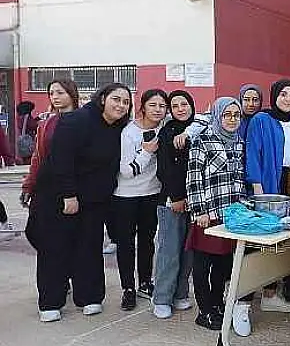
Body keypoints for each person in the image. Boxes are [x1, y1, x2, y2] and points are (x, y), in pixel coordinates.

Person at [33, 83, 132, 322]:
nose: (121, 105)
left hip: (94, 199)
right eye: (116, 99)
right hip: (58, 195)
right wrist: (69, 195)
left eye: (126, 102)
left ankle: (90, 297)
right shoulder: (77, 120)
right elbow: (61, 159)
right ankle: (50, 302)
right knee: (56, 248)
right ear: (103, 99)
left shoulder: (118, 127)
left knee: (89, 247)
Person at [186, 97, 243, 346]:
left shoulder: (238, 141)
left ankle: (218, 304)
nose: (231, 119)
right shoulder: (203, 139)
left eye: (236, 115)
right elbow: (194, 178)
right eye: (227, 115)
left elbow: (238, 177)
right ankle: (204, 310)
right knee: (202, 263)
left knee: (222, 263)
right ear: (217, 116)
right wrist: (199, 211)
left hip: (229, 214)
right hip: (207, 213)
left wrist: (242, 207)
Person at [247, 80, 290, 313]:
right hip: (269, 181)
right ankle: (252, 295)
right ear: (274, 96)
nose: (288, 99)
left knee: (286, 238)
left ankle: (273, 292)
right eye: (283, 94)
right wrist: (257, 187)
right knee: (264, 238)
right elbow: (253, 152)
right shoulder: (261, 120)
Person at [112, 89, 168, 311]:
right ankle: (128, 288)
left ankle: (145, 282)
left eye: (162, 106)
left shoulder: (164, 128)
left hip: (152, 194)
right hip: (125, 196)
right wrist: (146, 152)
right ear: (143, 106)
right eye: (153, 105)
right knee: (126, 244)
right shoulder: (129, 132)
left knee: (147, 241)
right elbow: (126, 171)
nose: (158, 110)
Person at [152, 90, 196, 319]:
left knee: (188, 252)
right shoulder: (167, 132)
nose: (180, 109)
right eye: (175, 105)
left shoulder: (198, 130)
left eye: (184, 104)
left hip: (195, 201)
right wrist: (177, 197)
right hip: (172, 201)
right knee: (169, 251)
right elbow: (164, 169)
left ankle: (180, 294)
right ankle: (161, 298)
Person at [22, 79, 80, 246]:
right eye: (51, 93)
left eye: (60, 93)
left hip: (75, 186)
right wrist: (29, 185)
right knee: (38, 232)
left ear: (72, 94)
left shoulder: (83, 121)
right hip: (47, 185)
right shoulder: (47, 123)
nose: (55, 97)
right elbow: (37, 157)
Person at [16, 101, 39, 165]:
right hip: (29, 139)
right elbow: (33, 125)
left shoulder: (19, 117)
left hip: (23, 139)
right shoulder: (27, 117)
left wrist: (37, 119)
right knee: (30, 157)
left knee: (25, 157)